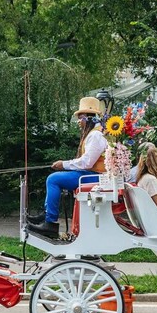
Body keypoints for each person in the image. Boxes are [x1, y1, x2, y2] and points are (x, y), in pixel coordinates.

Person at [27, 97, 108, 238]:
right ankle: (47, 215)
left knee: (53, 179)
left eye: (80, 119)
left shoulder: (95, 135)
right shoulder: (93, 134)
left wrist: (63, 164)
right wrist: (65, 165)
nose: (78, 123)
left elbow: (87, 162)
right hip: (90, 174)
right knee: (54, 179)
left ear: (87, 119)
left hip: (95, 176)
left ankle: (50, 223)